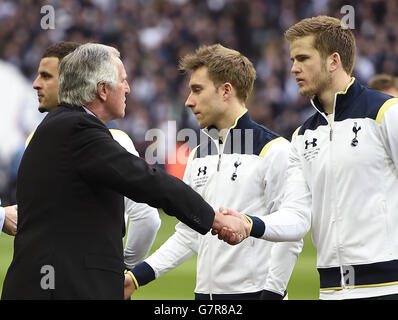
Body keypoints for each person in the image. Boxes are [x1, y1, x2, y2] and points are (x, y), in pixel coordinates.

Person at [1, 43, 249, 300]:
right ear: (103, 90)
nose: (128, 88)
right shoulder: (79, 130)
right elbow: (147, 181)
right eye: (123, 81)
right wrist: (215, 219)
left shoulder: (59, 126)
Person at [220, 15, 398, 300]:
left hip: (388, 288)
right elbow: (297, 216)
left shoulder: (386, 113)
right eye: (292, 59)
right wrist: (250, 224)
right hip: (329, 291)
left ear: (333, 61)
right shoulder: (302, 136)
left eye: (303, 58)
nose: (293, 68)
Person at [124, 44, 302, 300]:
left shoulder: (274, 151)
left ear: (226, 90)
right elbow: (188, 234)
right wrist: (135, 279)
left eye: (197, 89)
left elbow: (291, 234)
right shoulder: (198, 155)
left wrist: (272, 295)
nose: (188, 101)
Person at [30, 41, 161, 271]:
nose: (36, 84)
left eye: (46, 76)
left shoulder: (113, 140)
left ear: (71, 79)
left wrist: (121, 269)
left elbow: (147, 217)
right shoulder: (37, 137)